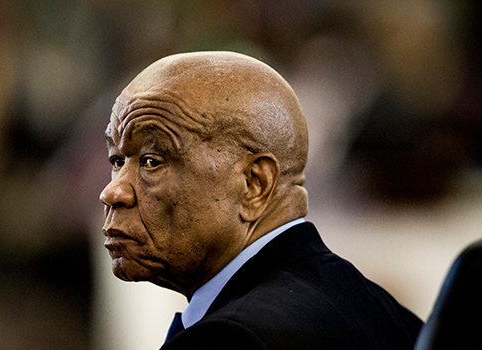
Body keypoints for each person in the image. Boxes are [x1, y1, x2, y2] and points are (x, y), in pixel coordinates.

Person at [99, 51, 422, 349]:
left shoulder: (232, 339)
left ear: (255, 184)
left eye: (152, 161)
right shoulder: (386, 312)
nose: (113, 192)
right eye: (117, 161)